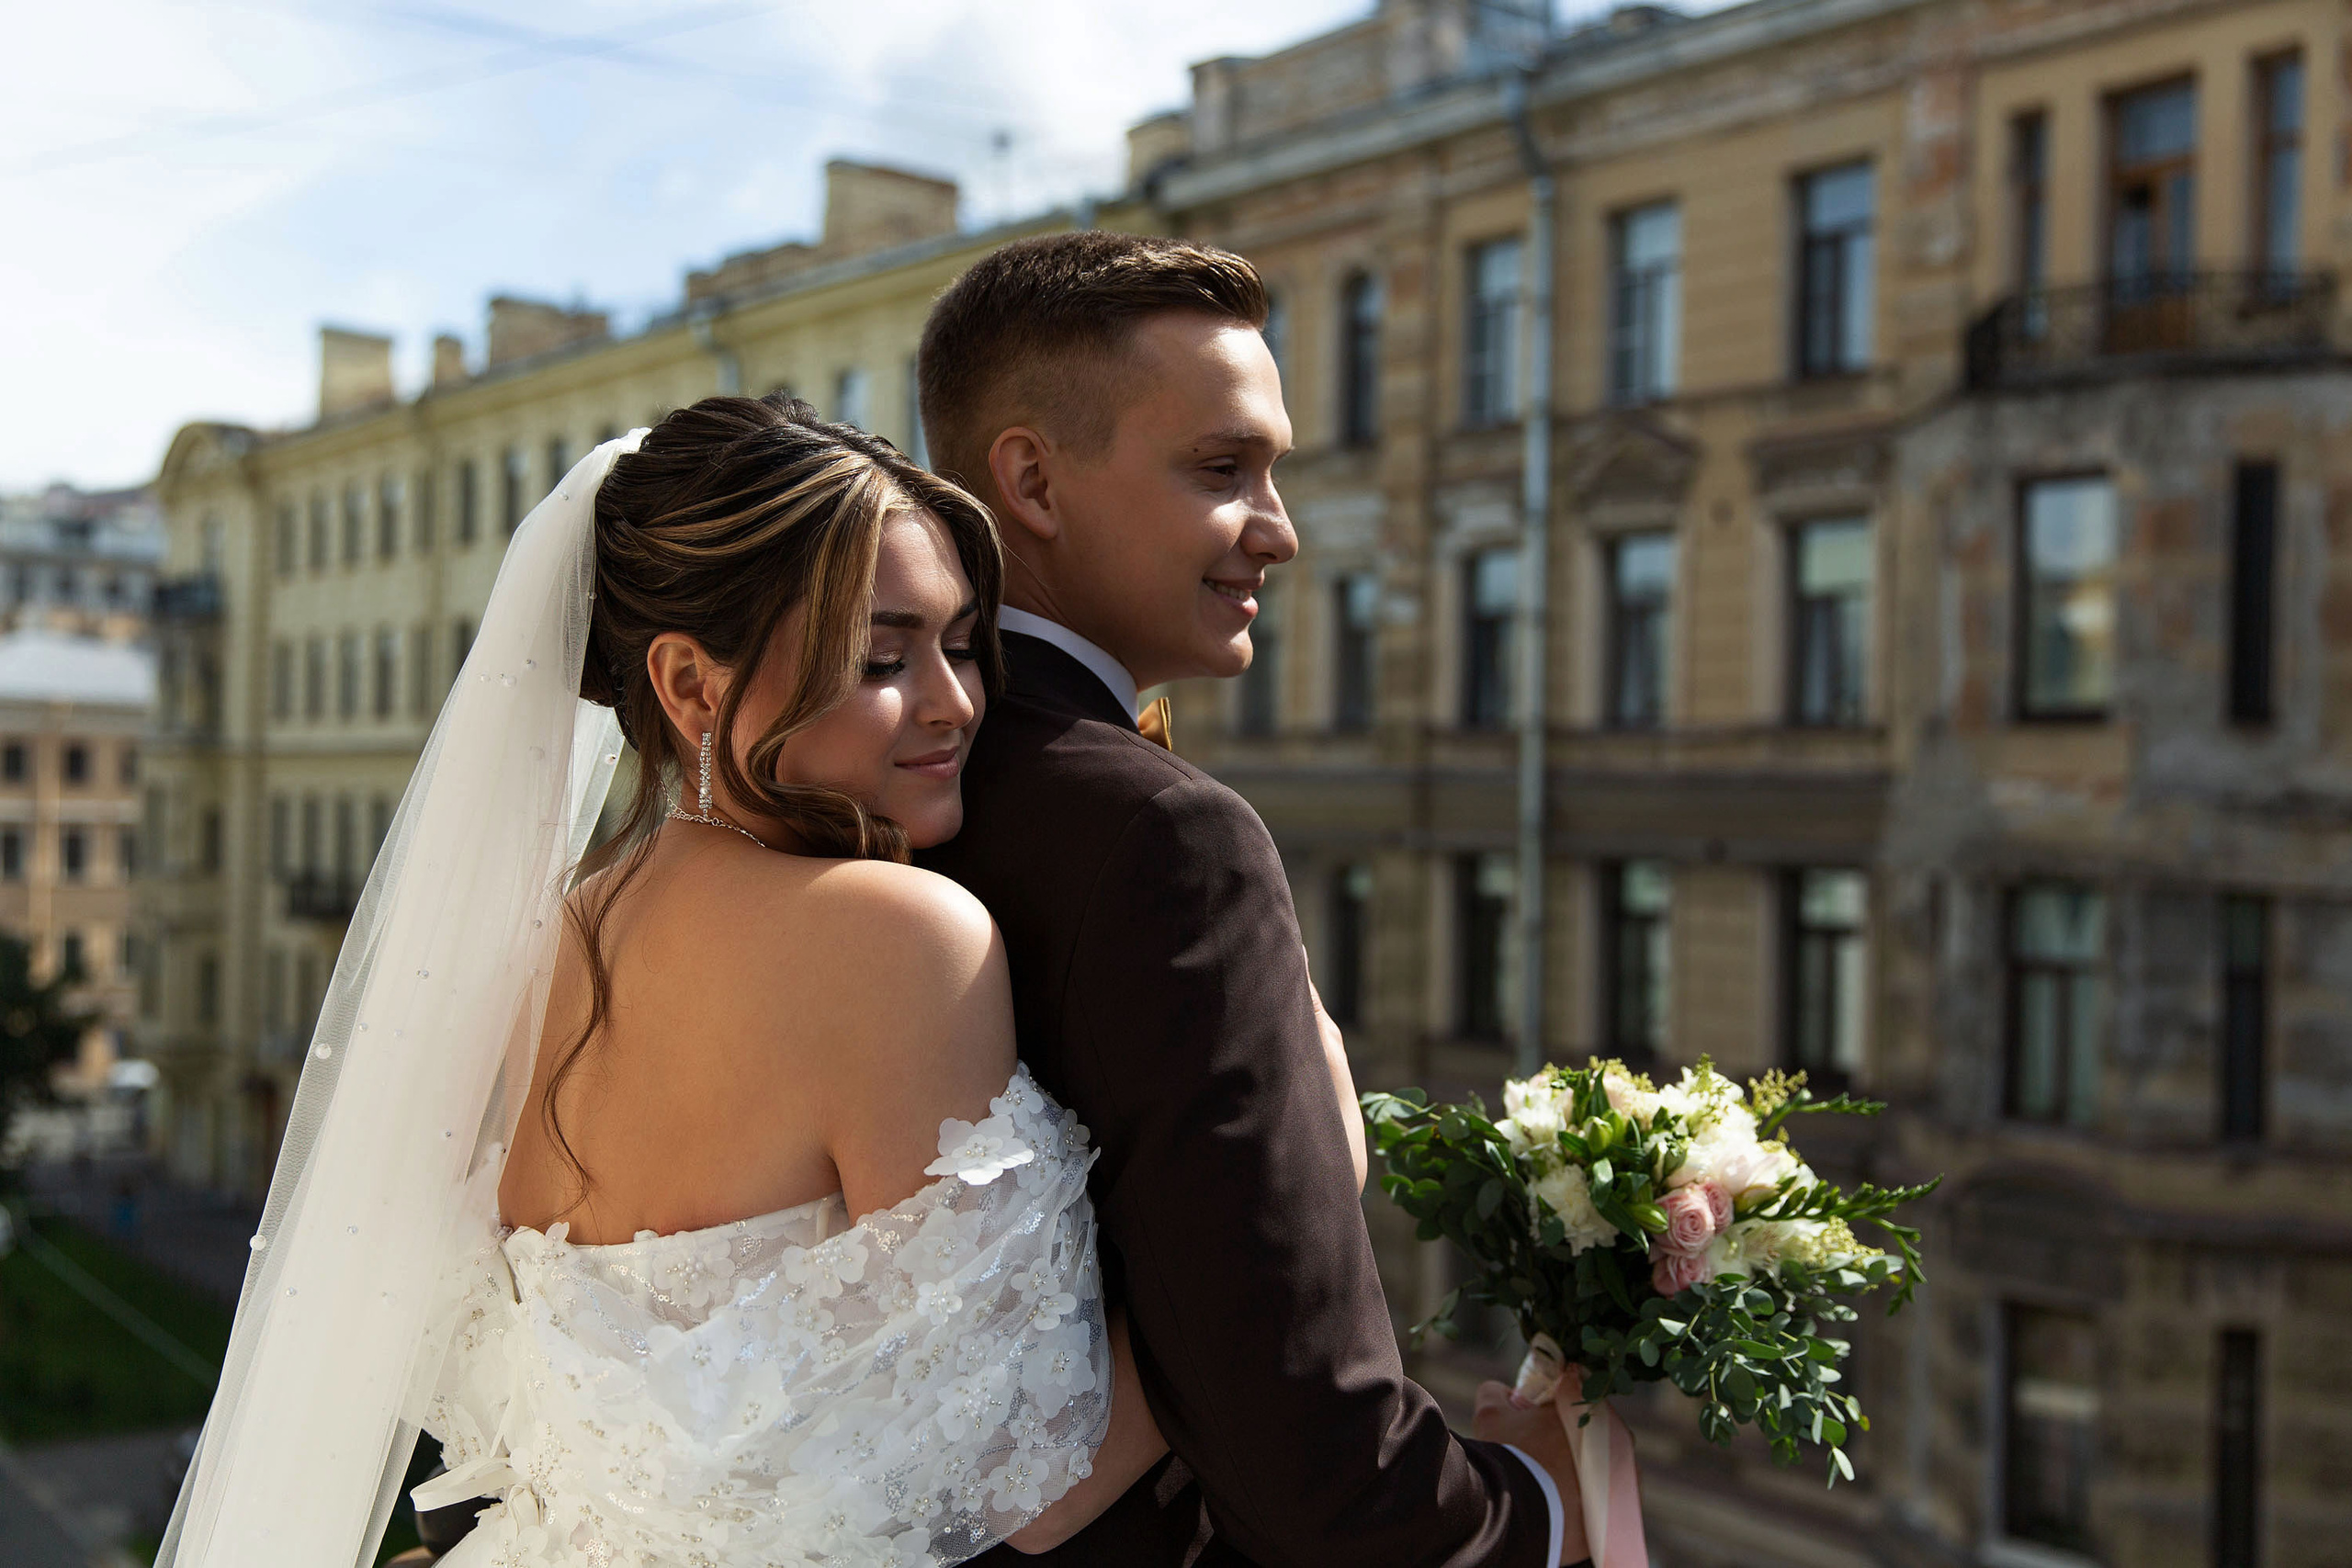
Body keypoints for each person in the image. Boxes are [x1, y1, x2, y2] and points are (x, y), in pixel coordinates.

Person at [158, 402, 1200, 1567]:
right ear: (691, 687)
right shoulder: (894, 939)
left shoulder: (541, 941)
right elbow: (1028, 1481)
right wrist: (1290, 1176)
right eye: (879, 658)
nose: (957, 702)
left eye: (960, 644)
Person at [913, 231, 1591, 1566]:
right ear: (1031, 479)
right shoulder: (1162, 832)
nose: (1279, 530)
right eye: (1223, 470)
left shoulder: (863, 773)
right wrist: (1547, 1503)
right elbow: (1307, 1452)